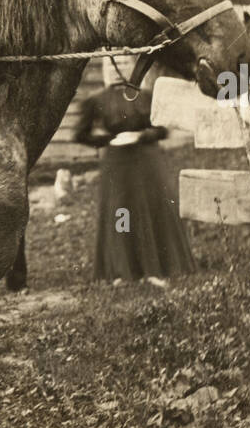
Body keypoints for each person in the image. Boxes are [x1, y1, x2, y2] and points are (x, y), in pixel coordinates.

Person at [74, 58, 196, 284]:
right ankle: (123, 269)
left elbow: (162, 130)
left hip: (147, 161)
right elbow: (81, 134)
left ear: (134, 67)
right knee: (122, 214)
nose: (117, 69)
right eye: (111, 65)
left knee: (152, 208)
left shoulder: (147, 97)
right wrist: (109, 139)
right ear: (104, 70)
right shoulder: (98, 100)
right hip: (117, 165)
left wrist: (142, 136)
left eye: (123, 63)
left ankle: (156, 268)